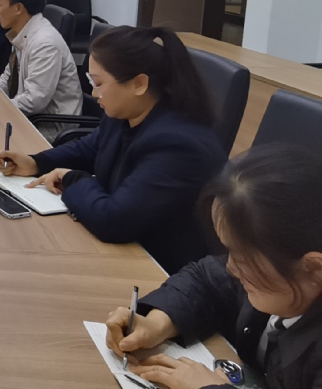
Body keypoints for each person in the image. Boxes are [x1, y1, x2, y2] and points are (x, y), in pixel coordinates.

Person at [0, 25, 226, 274]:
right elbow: (89, 149)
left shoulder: (177, 146)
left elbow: (113, 221)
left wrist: (72, 179)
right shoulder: (129, 113)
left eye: (98, 83)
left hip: (163, 268)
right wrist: (36, 162)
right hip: (131, 247)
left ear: (139, 84)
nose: (94, 93)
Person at [105, 143, 322, 389]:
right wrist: (158, 322)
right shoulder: (280, 272)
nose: (230, 267)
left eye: (243, 259)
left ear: (314, 270)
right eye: (229, 250)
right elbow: (206, 280)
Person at [0, 0, 82, 139]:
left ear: (18, 8)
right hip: (31, 116)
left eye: (0, 4)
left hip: (49, 126)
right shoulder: (23, 33)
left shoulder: (44, 43)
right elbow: (8, 78)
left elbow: (35, 100)